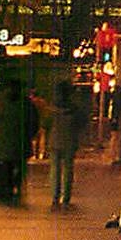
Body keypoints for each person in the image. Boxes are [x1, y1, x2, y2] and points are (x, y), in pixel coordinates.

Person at [48, 79, 89, 207]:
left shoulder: (52, 108)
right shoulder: (75, 108)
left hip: (54, 141)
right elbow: (82, 123)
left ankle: (55, 196)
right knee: (68, 169)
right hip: (70, 141)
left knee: (55, 169)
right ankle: (66, 197)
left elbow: (45, 123)